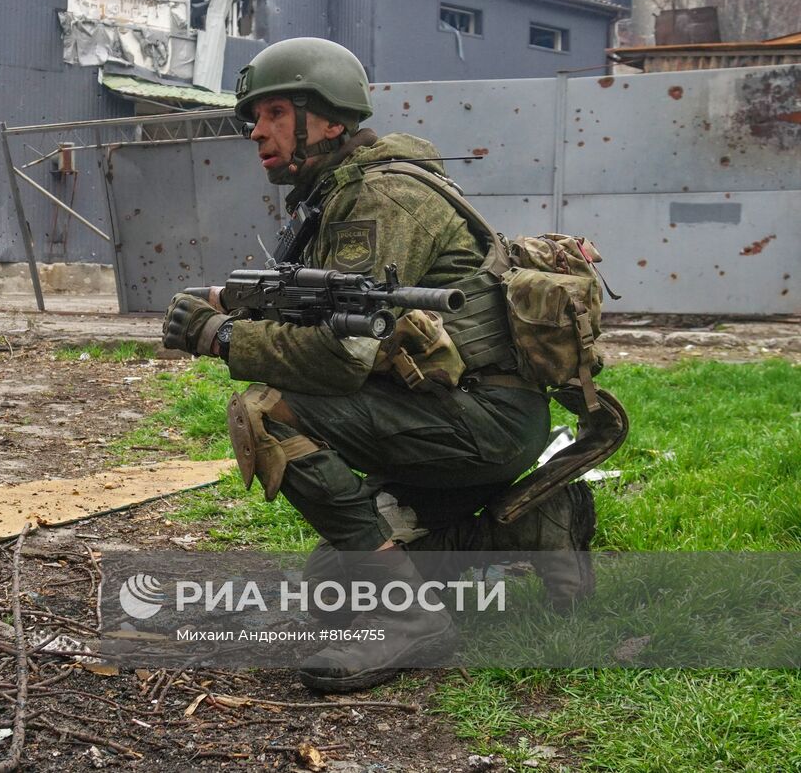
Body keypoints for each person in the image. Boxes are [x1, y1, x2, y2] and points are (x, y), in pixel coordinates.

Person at [160, 37, 596, 693]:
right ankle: (533, 522)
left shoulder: (379, 199)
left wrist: (222, 336)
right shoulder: (338, 193)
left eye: (275, 112)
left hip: (482, 415)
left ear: (330, 118)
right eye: (254, 117)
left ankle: (409, 619)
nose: (257, 131)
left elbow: (340, 357)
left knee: (268, 411)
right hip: (455, 408)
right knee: (330, 583)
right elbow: (324, 314)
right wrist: (235, 304)